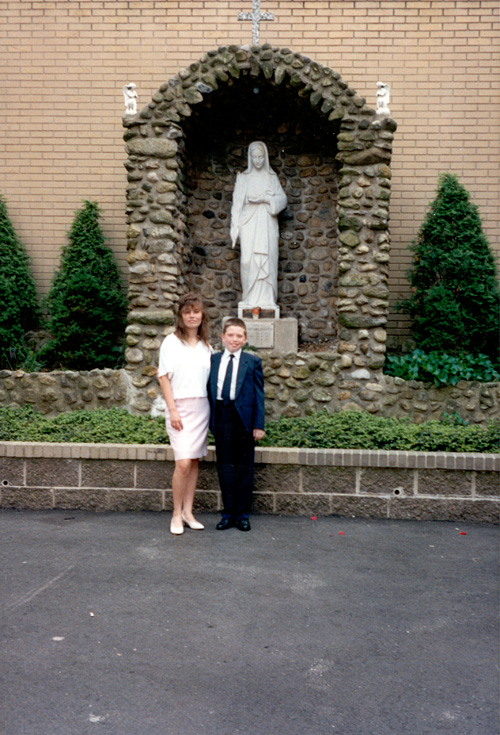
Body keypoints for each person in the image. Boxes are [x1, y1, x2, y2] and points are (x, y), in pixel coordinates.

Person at [158, 292, 212, 535]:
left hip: (202, 407)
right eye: (188, 312)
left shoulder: (207, 345)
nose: (192, 316)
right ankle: (176, 514)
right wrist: (173, 411)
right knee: (182, 463)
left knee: (193, 461)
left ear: (202, 315)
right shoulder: (171, 342)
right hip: (178, 408)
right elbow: (163, 377)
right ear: (181, 316)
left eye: (196, 311)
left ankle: (189, 512)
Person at [207, 317, 265, 532]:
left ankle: (242, 514)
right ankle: (228, 513)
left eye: (239, 335)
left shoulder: (252, 362)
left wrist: (258, 425)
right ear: (223, 337)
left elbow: (259, 394)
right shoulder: (213, 360)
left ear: (245, 339)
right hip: (221, 416)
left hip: (243, 419)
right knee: (225, 468)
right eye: (230, 335)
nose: (234, 339)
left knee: (244, 468)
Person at [230, 141, 287, 309]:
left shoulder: (271, 177)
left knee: (267, 260)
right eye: (254, 157)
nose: (257, 161)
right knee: (247, 260)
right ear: (250, 158)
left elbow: (282, 200)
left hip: (266, 222)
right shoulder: (244, 178)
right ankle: (249, 299)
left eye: (261, 157)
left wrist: (266, 199)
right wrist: (235, 227)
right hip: (248, 223)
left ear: (265, 158)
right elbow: (237, 204)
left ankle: (267, 301)